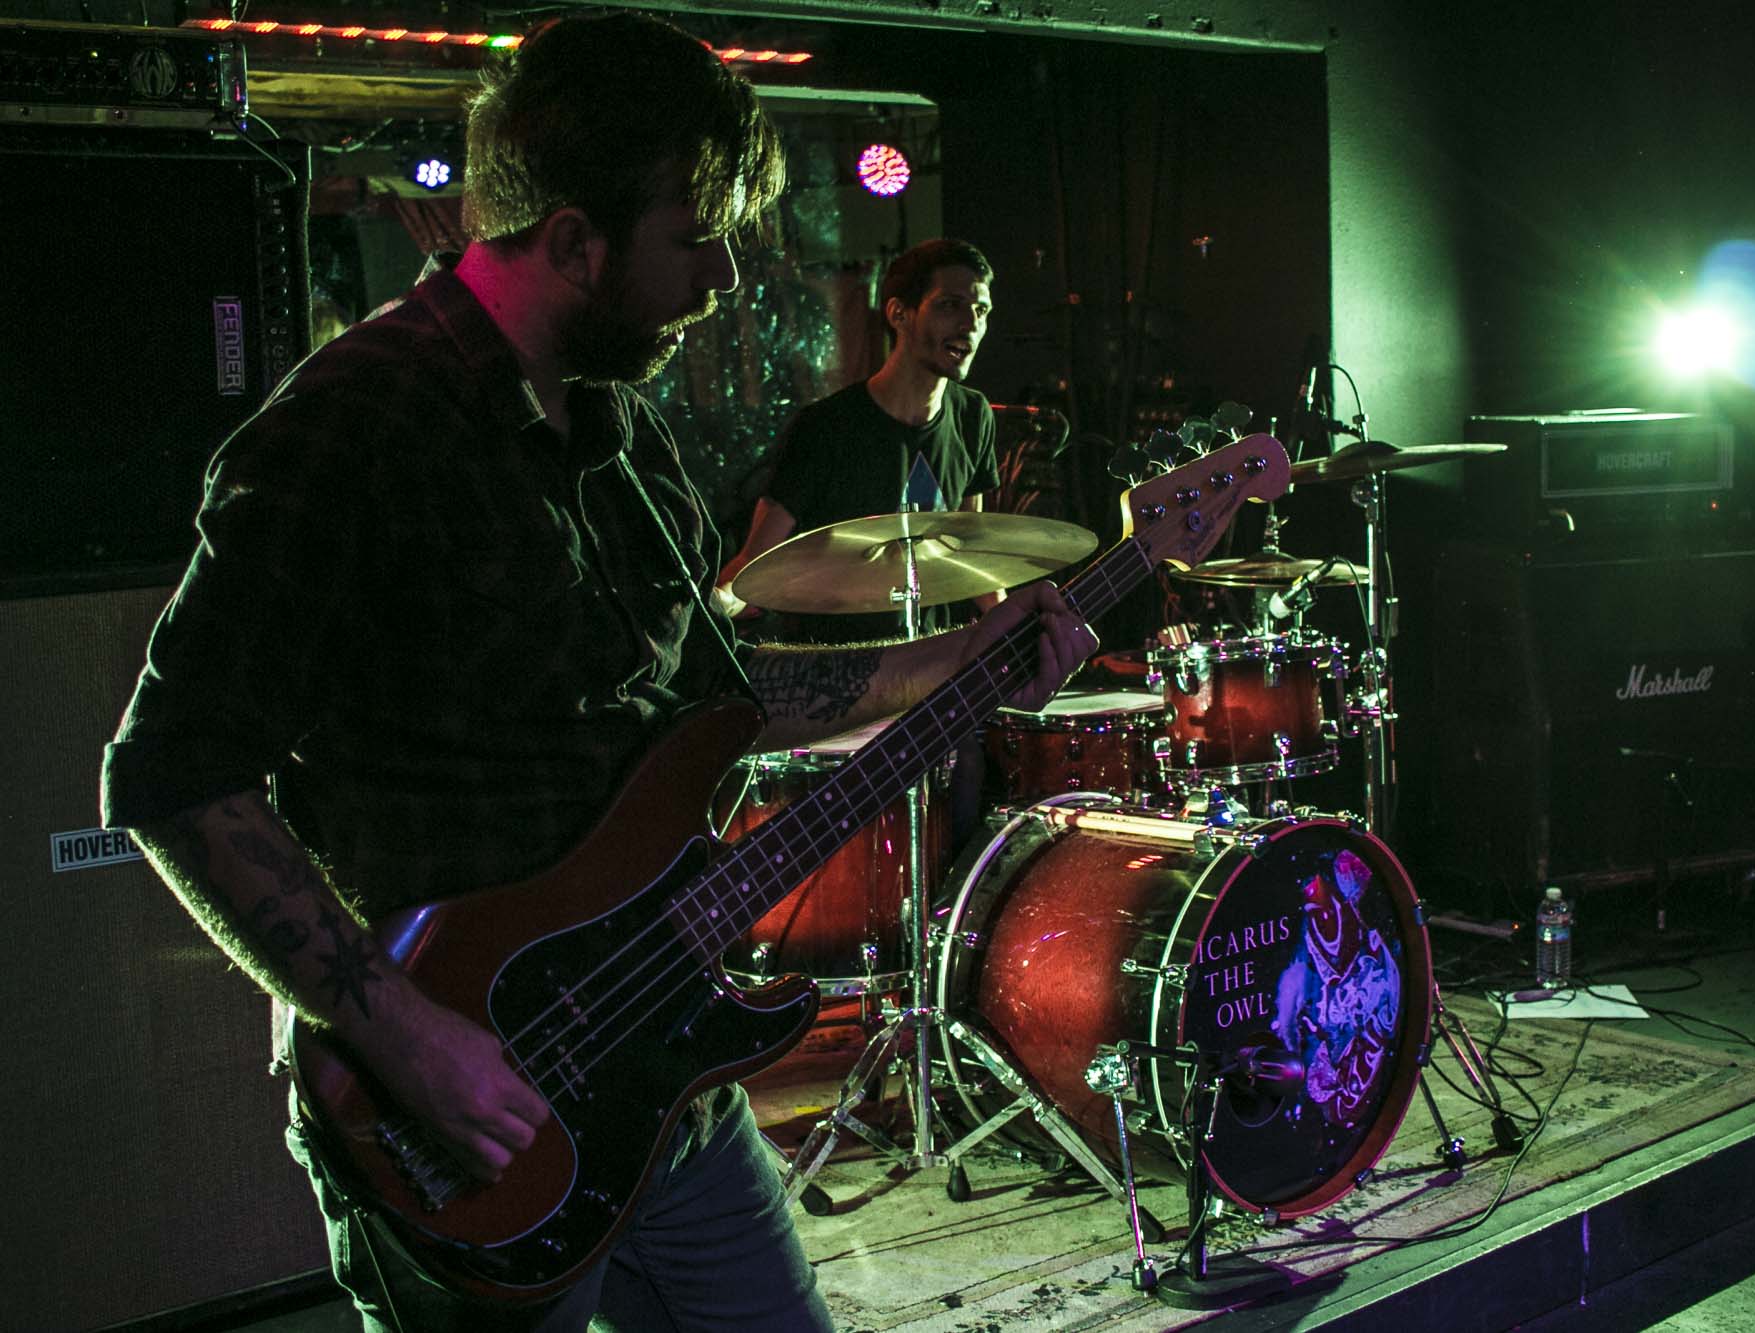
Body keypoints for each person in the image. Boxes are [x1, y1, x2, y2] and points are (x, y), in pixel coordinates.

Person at [97, 13, 1094, 1333]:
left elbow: (721, 698)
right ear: (573, 242)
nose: (724, 277)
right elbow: (176, 773)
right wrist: (406, 1040)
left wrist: (962, 659)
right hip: (465, 1113)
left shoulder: (618, 423)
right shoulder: (355, 427)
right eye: (695, 237)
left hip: (667, 1070)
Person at [716, 238, 1001, 644]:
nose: (970, 325)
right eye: (949, 305)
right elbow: (752, 567)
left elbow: (971, 557)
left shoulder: (974, 417)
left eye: (980, 310)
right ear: (899, 314)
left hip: (931, 662)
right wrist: (715, 606)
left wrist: (1019, 628)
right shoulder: (825, 427)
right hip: (836, 665)